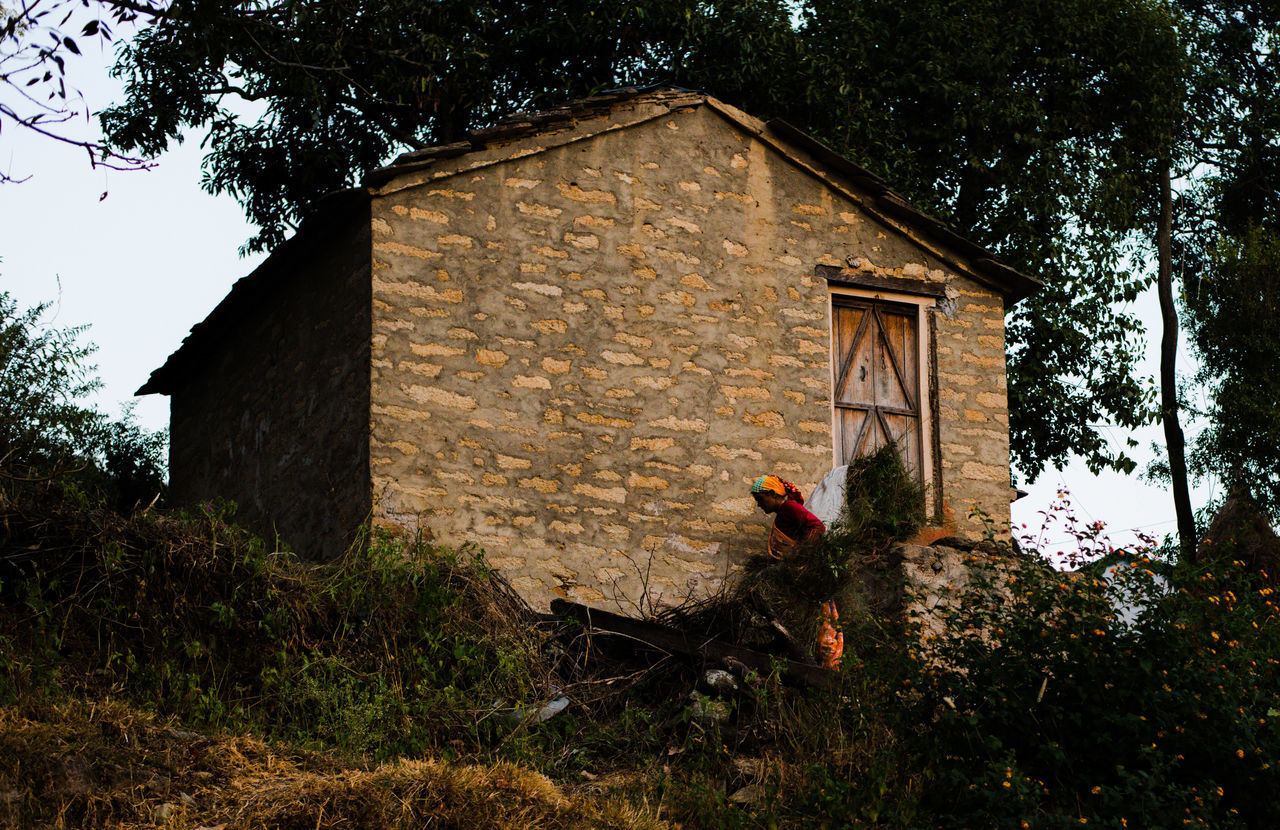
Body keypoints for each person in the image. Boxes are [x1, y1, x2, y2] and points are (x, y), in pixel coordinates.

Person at [750, 474, 844, 669]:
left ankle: (826, 664)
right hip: (794, 575)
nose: (760, 505)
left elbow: (817, 527)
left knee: (823, 618)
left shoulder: (790, 508)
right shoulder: (783, 514)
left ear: (772, 494)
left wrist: (798, 553)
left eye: (761, 499)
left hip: (806, 574)